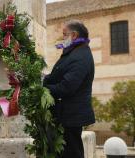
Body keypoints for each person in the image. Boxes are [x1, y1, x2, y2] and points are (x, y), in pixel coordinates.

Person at [43, 20, 95, 158]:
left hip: (71, 116)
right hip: (64, 114)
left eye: (64, 35)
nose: (62, 38)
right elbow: (59, 74)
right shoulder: (73, 52)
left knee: (72, 153)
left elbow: (67, 87)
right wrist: (44, 79)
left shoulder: (80, 56)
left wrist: (43, 88)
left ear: (74, 35)